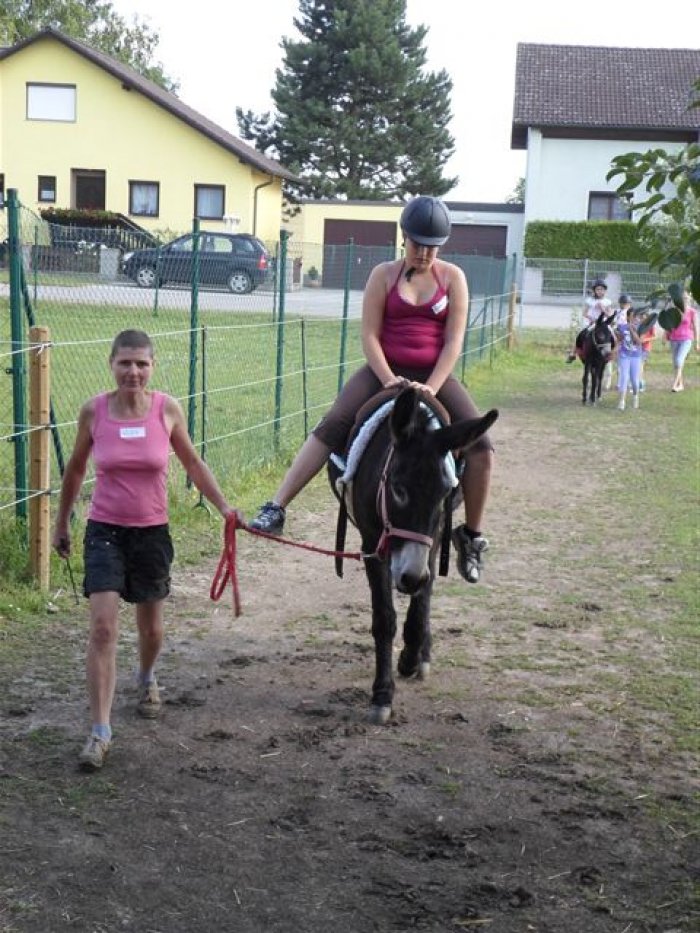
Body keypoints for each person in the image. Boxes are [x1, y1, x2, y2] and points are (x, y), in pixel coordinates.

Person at [249, 195, 494, 584]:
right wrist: (388, 377)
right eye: (417, 244)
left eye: (432, 247)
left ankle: (472, 536)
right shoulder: (383, 275)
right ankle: (276, 507)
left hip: (434, 375)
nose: (424, 253)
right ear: (403, 238)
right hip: (384, 371)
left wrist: (430, 388)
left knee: (482, 446)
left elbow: (453, 342)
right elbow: (369, 335)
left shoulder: (453, 278)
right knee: (333, 424)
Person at [52, 329, 237, 772]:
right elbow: (75, 468)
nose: (133, 371)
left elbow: (192, 463)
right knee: (102, 629)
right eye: (125, 363)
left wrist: (225, 507)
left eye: (141, 363)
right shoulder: (94, 411)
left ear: (152, 366)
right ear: (111, 364)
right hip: (104, 532)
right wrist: (61, 521)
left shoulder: (166, 409)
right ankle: (100, 731)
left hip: (152, 532)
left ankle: (147, 676)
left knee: (151, 631)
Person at [566, 278, 613, 363]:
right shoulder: (590, 301)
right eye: (598, 289)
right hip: (592, 322)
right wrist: (592, 319)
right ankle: (573, 353)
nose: (600, 291)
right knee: (580, 334)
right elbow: (584, 313)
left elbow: (609, 315)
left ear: (605, 291)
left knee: (613, 335)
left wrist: (602, 308)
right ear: (594, 290)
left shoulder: (607, 302)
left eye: (602, 289)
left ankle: (611, 353)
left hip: (603, 324)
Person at [664, 291, 699, 392]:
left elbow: (696, 328)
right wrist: (665, 335)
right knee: (676, 363)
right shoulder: (674, 311)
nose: (684, 300)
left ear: (689, 299)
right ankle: (680, 384)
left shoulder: (692, 312)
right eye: (683, 298)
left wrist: (697, 343)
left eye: (686, 298)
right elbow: (669, 324)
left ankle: (674, 384)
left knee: (679, 360)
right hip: (674, 339)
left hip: (686, 339)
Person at [615, 305, 644, 410]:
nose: (635, 319)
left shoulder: (641, 328)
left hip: (636, 356)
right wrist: (614, 350)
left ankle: (635, 396)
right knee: (624, 377)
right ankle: (622, 401)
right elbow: (619, 340)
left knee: (635, 381)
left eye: (636, 317)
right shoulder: (622, 327)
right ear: (628, 317)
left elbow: (639, 342)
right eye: (632, 316)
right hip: (624, 355)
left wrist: (632, 330)